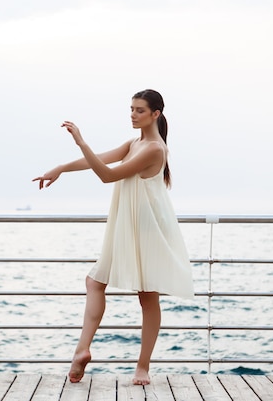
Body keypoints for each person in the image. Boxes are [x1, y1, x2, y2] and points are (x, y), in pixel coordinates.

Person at [32, 89, 194, 385]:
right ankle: (82, 350)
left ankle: (142, 367)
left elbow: (107, 175)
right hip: (126, 222)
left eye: (140, 110)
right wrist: (62, 168)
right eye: (131, 109)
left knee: (147, 295)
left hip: (146, 226)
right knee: (95, 282)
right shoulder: (135, 143)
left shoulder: (155, 148)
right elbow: (100, 160)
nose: (133, 114)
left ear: (156, 114)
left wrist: (81, 141)